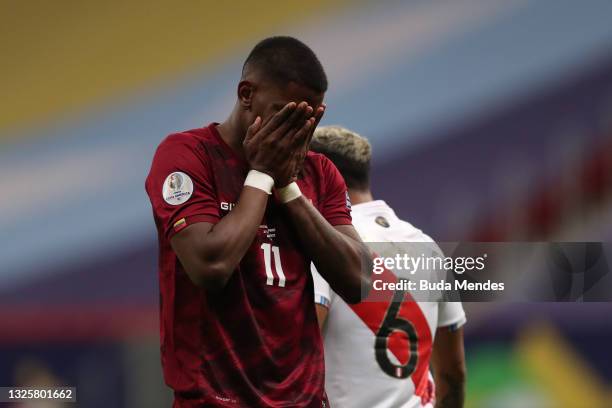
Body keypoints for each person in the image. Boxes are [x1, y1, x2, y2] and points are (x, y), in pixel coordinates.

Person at [145, 37, 371, 407]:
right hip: (214, 400)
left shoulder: (318, 172)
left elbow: (361, 281)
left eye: (308, 120)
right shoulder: (187, 156)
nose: (297, 131)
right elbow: (210, 265)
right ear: (246, 94)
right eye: (285, 114)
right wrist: (262, 174)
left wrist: (288, 188)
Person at [310, 126, 467, 408]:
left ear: (318, 177)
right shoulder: (427, 246)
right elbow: (452, 373)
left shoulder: (324, 246)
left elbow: (297, 359)